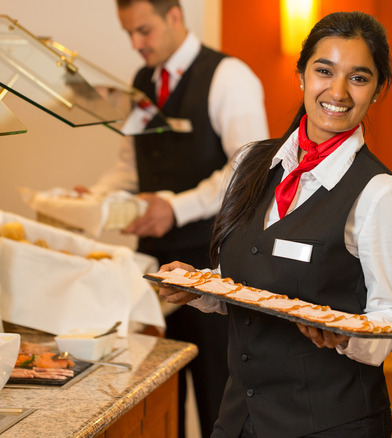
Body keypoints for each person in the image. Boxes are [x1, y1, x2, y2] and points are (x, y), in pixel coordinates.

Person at [156, 11, 392, 437]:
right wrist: (198, 286)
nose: (337, 91)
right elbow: (240, 280)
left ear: (377, 90)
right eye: (324, 70)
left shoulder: (383, 193)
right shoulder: (248, 163)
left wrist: (344, 333)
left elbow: (391, 322)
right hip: (240, 417)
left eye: (359, 77)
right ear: (301, 75)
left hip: (330, 423)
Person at [79, 0, 270, 436]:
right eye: (128, 33)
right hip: (150, 267)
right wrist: (93, 195)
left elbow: (247, 168)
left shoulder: (228, 76)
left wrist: (175, 208)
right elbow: (131, 165)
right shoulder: (141, 81)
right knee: (154, 392)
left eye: (143, 31)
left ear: (175, 17)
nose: (136, 44)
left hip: (211, 265)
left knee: (215, 398)